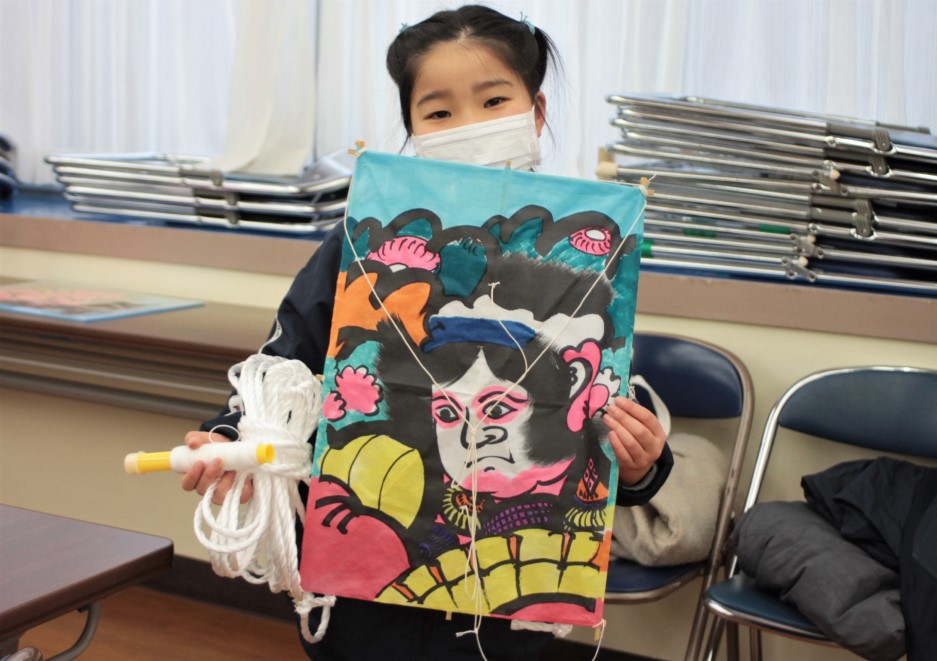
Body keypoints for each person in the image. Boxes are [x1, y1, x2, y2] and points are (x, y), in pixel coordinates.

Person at [181, 6, 672, 660]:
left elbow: (609, 408)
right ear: (412, 128)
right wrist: (231, 438)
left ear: (536, 111)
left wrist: (641, 463)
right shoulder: (361, 248)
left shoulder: (583, 257)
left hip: (507, 610)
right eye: (438, 111)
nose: (468, 125)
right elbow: (282, 363)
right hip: (362, 596)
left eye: (493, 101)